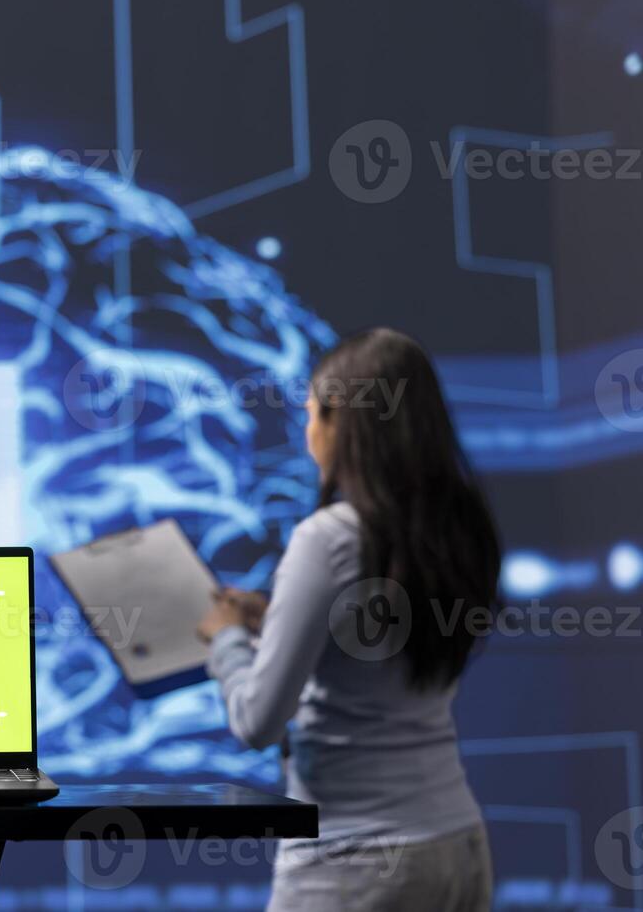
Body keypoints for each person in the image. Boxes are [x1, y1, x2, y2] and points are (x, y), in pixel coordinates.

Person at [197, 328, 500, 912]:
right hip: (457, 848)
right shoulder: (461, 531)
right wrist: (280, 619)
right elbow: (378, 636)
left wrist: (227, 638)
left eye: (312, 415)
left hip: (357, 864)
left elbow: (257, 720)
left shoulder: (330, 538)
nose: (308, 437)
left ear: (343, 423)